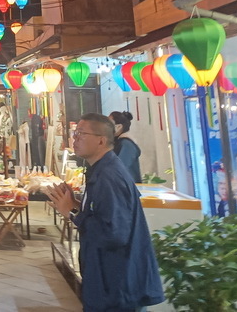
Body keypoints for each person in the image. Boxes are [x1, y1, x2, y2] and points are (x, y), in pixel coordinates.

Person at [48, 113, 164, 312]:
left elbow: (113, 233)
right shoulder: (102, 169)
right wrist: (75, 204)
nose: (74, 139)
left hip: (116, 284)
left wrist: (73, 214)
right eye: (75, 134)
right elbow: (103, 214)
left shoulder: (109, 176)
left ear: (101, 140)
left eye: (81, 134)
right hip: (108, 282)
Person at [109, 111, 142, 183]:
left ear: (119, 127)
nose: (106, 126)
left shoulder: (127, 144)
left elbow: (120, 168)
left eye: (109, 123)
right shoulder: (117, 142)